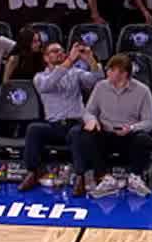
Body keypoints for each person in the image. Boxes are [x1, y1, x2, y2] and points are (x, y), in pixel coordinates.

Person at [17, 40, 99, 191]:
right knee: (34, 129)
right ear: (46, 58)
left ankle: (80, 176)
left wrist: (90, 60)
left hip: (74, 123)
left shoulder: (76, 73)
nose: (60, 53)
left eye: (61, 50)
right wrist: (69, 61)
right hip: (53, 125)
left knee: (77, 133)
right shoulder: (40, 77)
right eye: (55, 51)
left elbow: (97, 80)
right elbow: (50, 84)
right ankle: (32, 172)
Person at [74, 53, 152, 197]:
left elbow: (150, 121)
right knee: (84, 134)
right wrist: (92, 119)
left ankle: (135, 178)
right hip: (105, 134)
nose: (107, 72)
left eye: (112, 70)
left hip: (129, 135)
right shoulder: (100, 87)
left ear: (124, 74)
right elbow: (88, 112)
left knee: (143, 139)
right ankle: (105, 178)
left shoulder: (143, 91)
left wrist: (132, 128)